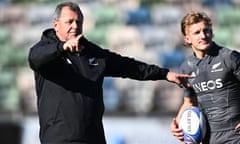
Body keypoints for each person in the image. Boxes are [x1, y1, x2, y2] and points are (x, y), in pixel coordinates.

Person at [28, 2, 191, 144]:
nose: (75, 26)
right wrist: (62, 48)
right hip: (59, 139)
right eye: (69, 22)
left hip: (94, 138)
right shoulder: (45, 52)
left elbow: (129, 66)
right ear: (56, 25)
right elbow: (35, 58)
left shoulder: (91, 52)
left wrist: (164, 74)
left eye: (78, 21)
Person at [170, 11, 240, 144]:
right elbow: (189, 102)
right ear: (187, 39)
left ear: (212, 33)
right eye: (197, 32)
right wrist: (177, 123)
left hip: (236, 135)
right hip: (209, 138)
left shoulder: (230, 57)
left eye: (206, 31)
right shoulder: (187, 67)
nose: (203, 36)